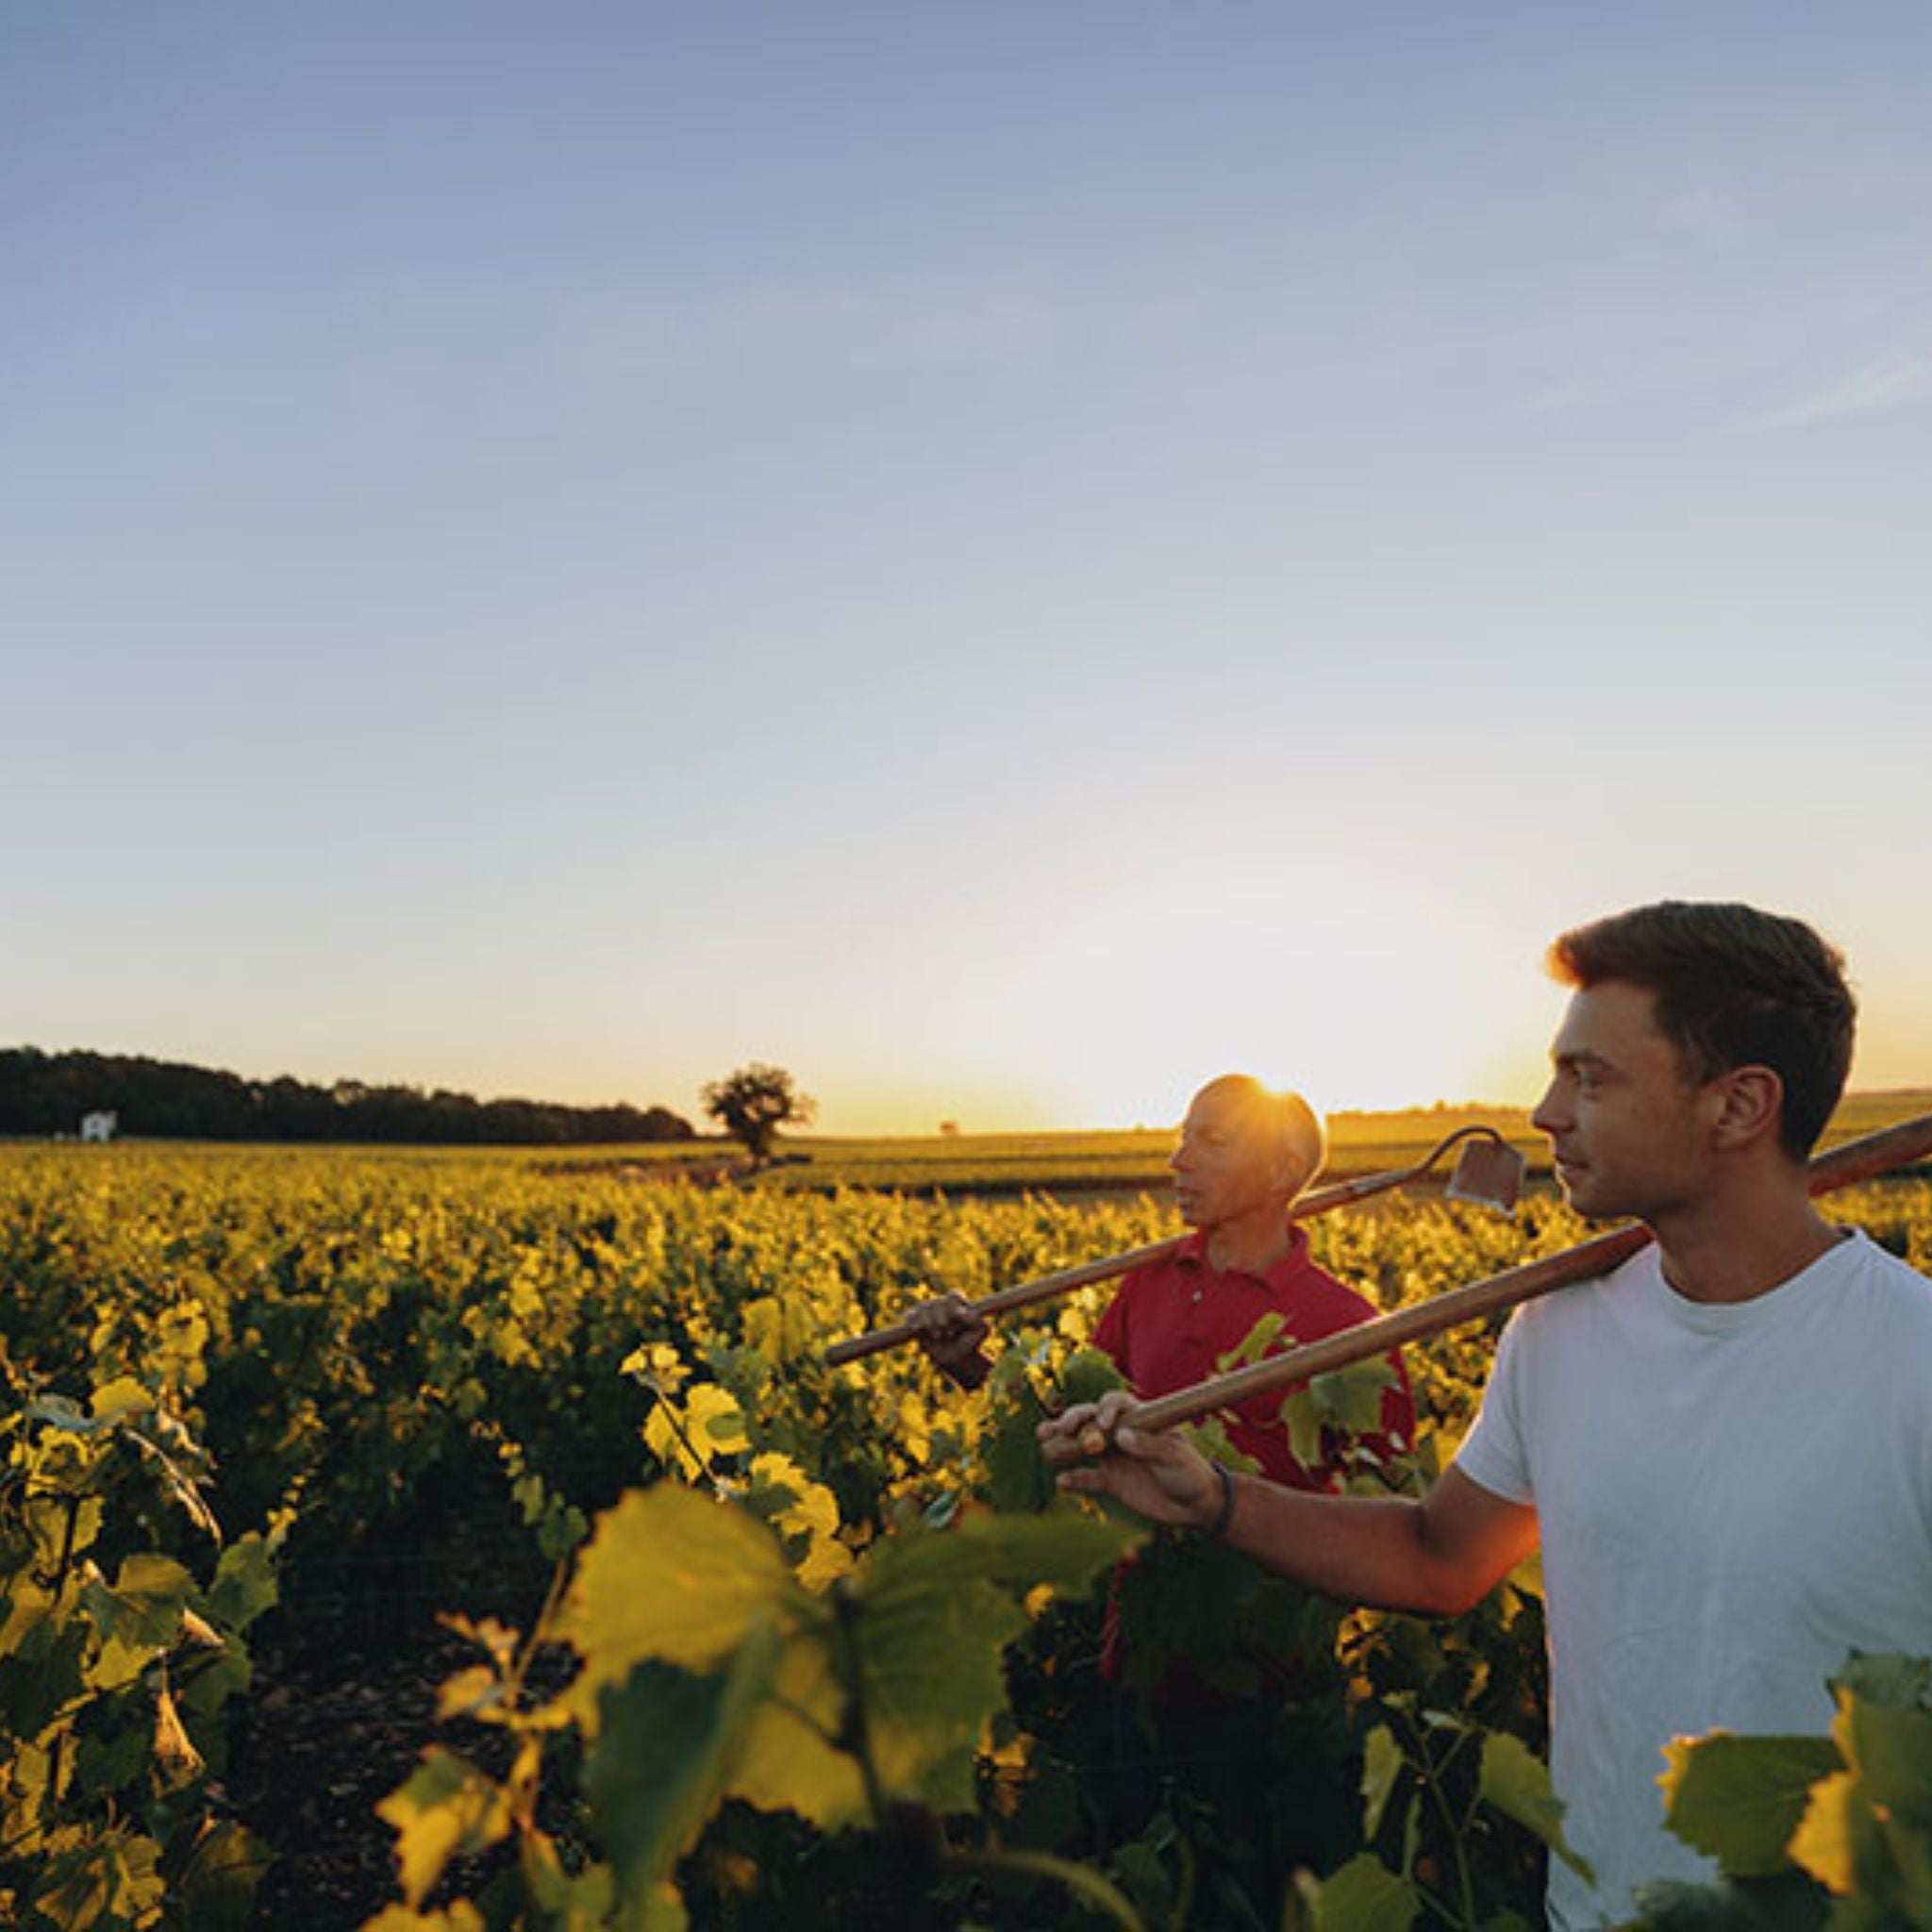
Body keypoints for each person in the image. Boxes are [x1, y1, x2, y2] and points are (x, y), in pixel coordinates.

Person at [1041, 902, 1932, 1928]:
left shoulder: (1907, 1355)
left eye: (1587, 1076)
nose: (1543, 1113)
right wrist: (1216, 1500)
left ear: (1736, 1107)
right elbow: (1436, 1555)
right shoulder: (1558, 1330)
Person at [906, 1072, 1416, 1493]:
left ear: (1283, 1173)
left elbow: (1384, 1516)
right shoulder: (1146, 1283)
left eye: (1211, 1142)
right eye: (1182, 1138)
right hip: (1131, 1606)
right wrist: (968, 1364)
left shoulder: (1352, 1327)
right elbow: (1070, 1433)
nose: (1178, 1160)